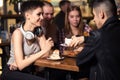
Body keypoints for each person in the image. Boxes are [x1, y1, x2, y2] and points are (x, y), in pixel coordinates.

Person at [1, 1, 54, 80]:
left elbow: (47, 54)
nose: (42, 17)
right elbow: (21, 65)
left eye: (42, 14)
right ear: (28, 16)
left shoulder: (39, 31)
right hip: (13, 71)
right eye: (38, 14)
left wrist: (26, 58)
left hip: (28, 70)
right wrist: (43, 51)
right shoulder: (18, 33)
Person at [70, 0, 120, 80]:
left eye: (94, 15)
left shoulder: (98, 35)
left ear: (101, 14)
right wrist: (85, 39)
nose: (94, 19)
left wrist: (86, 49)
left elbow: (80, 60)